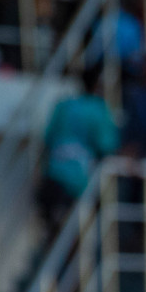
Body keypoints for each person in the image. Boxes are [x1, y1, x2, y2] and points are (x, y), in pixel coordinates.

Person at [39, 64, 120, 232]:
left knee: (54, 224)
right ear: (97, 85)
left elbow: (48, 138)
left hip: (53, 174)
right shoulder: (99, 108)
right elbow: (107, 145)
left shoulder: (64, 105)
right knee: (77, 228)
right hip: (78, 179)